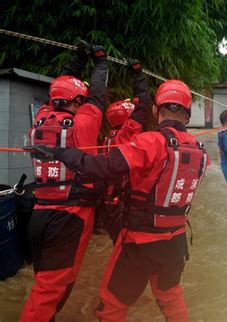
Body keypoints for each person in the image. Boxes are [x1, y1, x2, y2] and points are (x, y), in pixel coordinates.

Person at [29, 79, 210, 322]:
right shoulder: (201, 151)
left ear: (157, 110)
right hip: (175, 241)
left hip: (139, 241)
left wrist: (62, 152)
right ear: (187, 116)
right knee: (171, 297)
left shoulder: (150, 142)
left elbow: (101, 168)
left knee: (112, 305)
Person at [20, 43, 108, 321]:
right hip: (69, 218)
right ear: (78, 101)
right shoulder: (83, 124)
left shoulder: (40, 120)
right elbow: (97, 95)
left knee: (44, 285)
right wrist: (101, 62)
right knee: (49, 291)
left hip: (38, 215)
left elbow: (59, 89)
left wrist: (78, 60)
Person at [94, 59, 151, 241]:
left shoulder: (105, 140)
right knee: (128, 248)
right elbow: (144, 104)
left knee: (119, 245)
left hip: (108, 204)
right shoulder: (127, 134)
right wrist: (137, 74)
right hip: (123, 205)